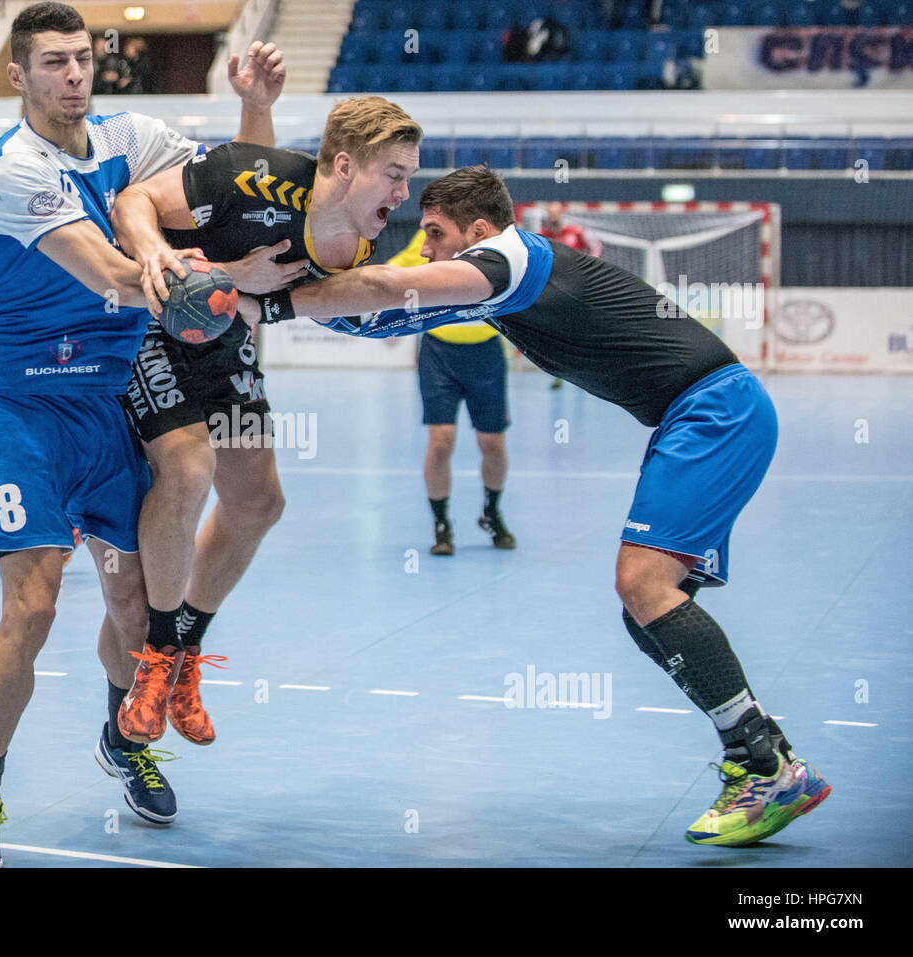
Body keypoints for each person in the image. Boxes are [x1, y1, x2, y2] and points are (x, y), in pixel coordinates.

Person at [241, 165, 831, 848]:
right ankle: (766, 758)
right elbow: (379, 317)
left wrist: (275, 301)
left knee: (643, 584)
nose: (425, 247)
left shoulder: (511, 259)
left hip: (714, 412)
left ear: (480, 233)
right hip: (699, 416)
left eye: (435, 234)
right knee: (648, 615)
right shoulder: (497, 285)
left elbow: (382, 285)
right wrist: (256, 301)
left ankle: (766, 765)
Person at [0, 1, 284, 868]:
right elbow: (117, 279)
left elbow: (232, 186)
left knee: (136, 602)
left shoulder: (131, 133)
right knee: (36, 604)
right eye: (53, 62)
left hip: (106, 399)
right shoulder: (11, 172)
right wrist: (236, 282)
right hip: (22, 406)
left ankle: (122, 739)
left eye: (83, 59)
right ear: (17, 75)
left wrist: (252, 106)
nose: (74, 75)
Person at [108, 95, 418, 747]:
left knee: (259, 501)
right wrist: (175, 263)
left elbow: (311, 297)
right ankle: (158, 657)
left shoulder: (353, 239)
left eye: (409, 176)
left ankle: (188, 651)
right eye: (394, 172)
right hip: (155, 322)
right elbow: (131, 205)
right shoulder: (248, 175)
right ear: (344, 165)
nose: (404, 190)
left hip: (226, 339)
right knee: (189, 469)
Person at [387, 229, 515, 555]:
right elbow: (395, 273)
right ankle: (441, 524)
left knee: (492, 444)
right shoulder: (430, 238)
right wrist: (386, 316)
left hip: (485, 353)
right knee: (441, 441)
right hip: (439, 353)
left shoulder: (492, 242)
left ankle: (491, 512)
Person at [538, 201, 601, 389]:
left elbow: (596, 248)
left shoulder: (576, 232)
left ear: (562, 213)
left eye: (556, 213)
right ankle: (558, 373)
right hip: (555, 292)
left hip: (578, 290)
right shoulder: (543, 236)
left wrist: (588, 269)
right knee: (555, 331)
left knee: (580, 329)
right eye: (550, 213)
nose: (553, 216)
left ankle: (586, 371)